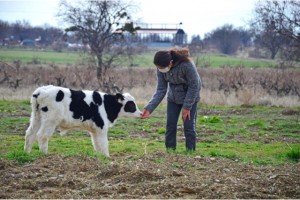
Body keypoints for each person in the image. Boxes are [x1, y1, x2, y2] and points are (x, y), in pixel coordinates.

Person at [141, 48, 202, 152]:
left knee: (188, 126)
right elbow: (161, 90)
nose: (160, 69)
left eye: (161, 67)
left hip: (190, 98)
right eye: (158, 67)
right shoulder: (161, 69)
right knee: (170, 125)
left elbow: (195, 85)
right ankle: (170, 151)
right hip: (173, 99)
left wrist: (187, 107)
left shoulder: (186, 65)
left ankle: (191, 152)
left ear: (170, 63)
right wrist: (149, 108)